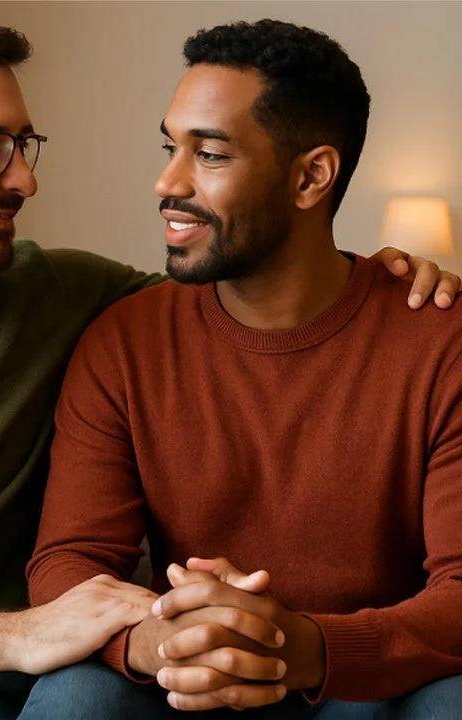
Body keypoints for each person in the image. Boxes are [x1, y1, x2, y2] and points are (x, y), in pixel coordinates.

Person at [0, 18, 454, 720]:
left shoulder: (72, 297)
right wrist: (28, 634)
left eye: (23, 144)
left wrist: (395, 284)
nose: (24, 178)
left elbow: (267, 304)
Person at [26, 18, 462, 720]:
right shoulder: (122, 341)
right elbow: (68, 563)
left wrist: (305, 646)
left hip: (369, 680)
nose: (167, 181)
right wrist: (153, 640)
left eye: (211, 155)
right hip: (186, 676)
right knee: (73, 696)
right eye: (171, 146)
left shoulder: (442, 342)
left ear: (311, 176)